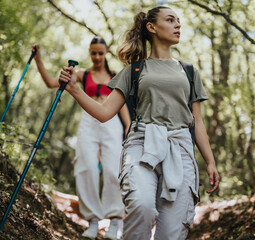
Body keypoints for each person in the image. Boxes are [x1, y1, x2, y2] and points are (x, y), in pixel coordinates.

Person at [58, 6, 220, 240]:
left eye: (179, 21)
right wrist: (73, 88)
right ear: (151, 27)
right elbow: (104, 113)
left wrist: (210, 162)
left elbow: (198, 122)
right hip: (142, 144)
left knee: (173, 228)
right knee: (141, 206)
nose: (178, 25)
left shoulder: (189, 71)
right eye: (171, 20)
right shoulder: (133, 70)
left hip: (181, 147)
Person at [31, 36, 130, 240]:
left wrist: (128, 128)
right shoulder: (83, 74)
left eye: (100, 53)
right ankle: (92, 220)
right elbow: (52, 83)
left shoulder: (115, 75)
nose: (96, 56)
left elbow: (122, 106)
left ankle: (115, 221)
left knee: (113, 170)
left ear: (106, 53)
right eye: (93, 52)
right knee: (87, 167)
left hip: (111, 122)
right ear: (89, 52)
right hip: (88, 122)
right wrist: (39, 59)